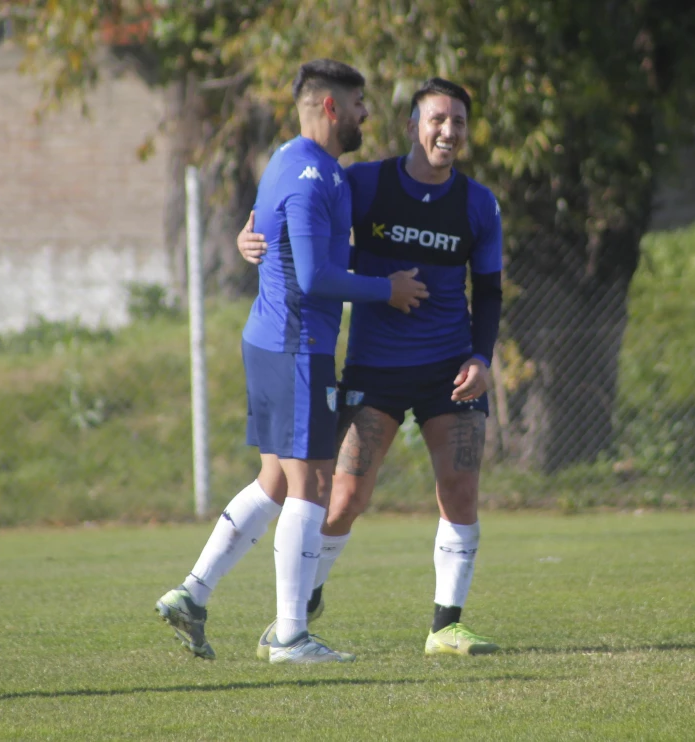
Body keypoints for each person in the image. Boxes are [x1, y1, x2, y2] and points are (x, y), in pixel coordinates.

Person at [155, 59, 428, 665]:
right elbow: (313, 276)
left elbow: (274, 237)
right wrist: (387, 290)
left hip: (271, 341)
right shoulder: (310, 176)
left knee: (275, 481)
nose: (365, 113)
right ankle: (290, 636)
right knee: (313, 484)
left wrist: (249, 240)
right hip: (296, 345)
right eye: (357, 103)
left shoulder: (289, 159)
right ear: (330, 107)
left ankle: (192, 594)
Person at [240, 78, 504, 657]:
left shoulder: (479, 204)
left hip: (448, 368)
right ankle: (299, 609)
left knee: (460, 490)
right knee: (343, 500)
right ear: (412, 126)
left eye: (459, 122)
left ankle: (445, 626)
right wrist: (250, 234)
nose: (449, 131)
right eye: (437, 119)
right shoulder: (364, 183)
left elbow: (488, 291)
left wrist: (481, 357)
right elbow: (298, 218)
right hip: (374, 367)